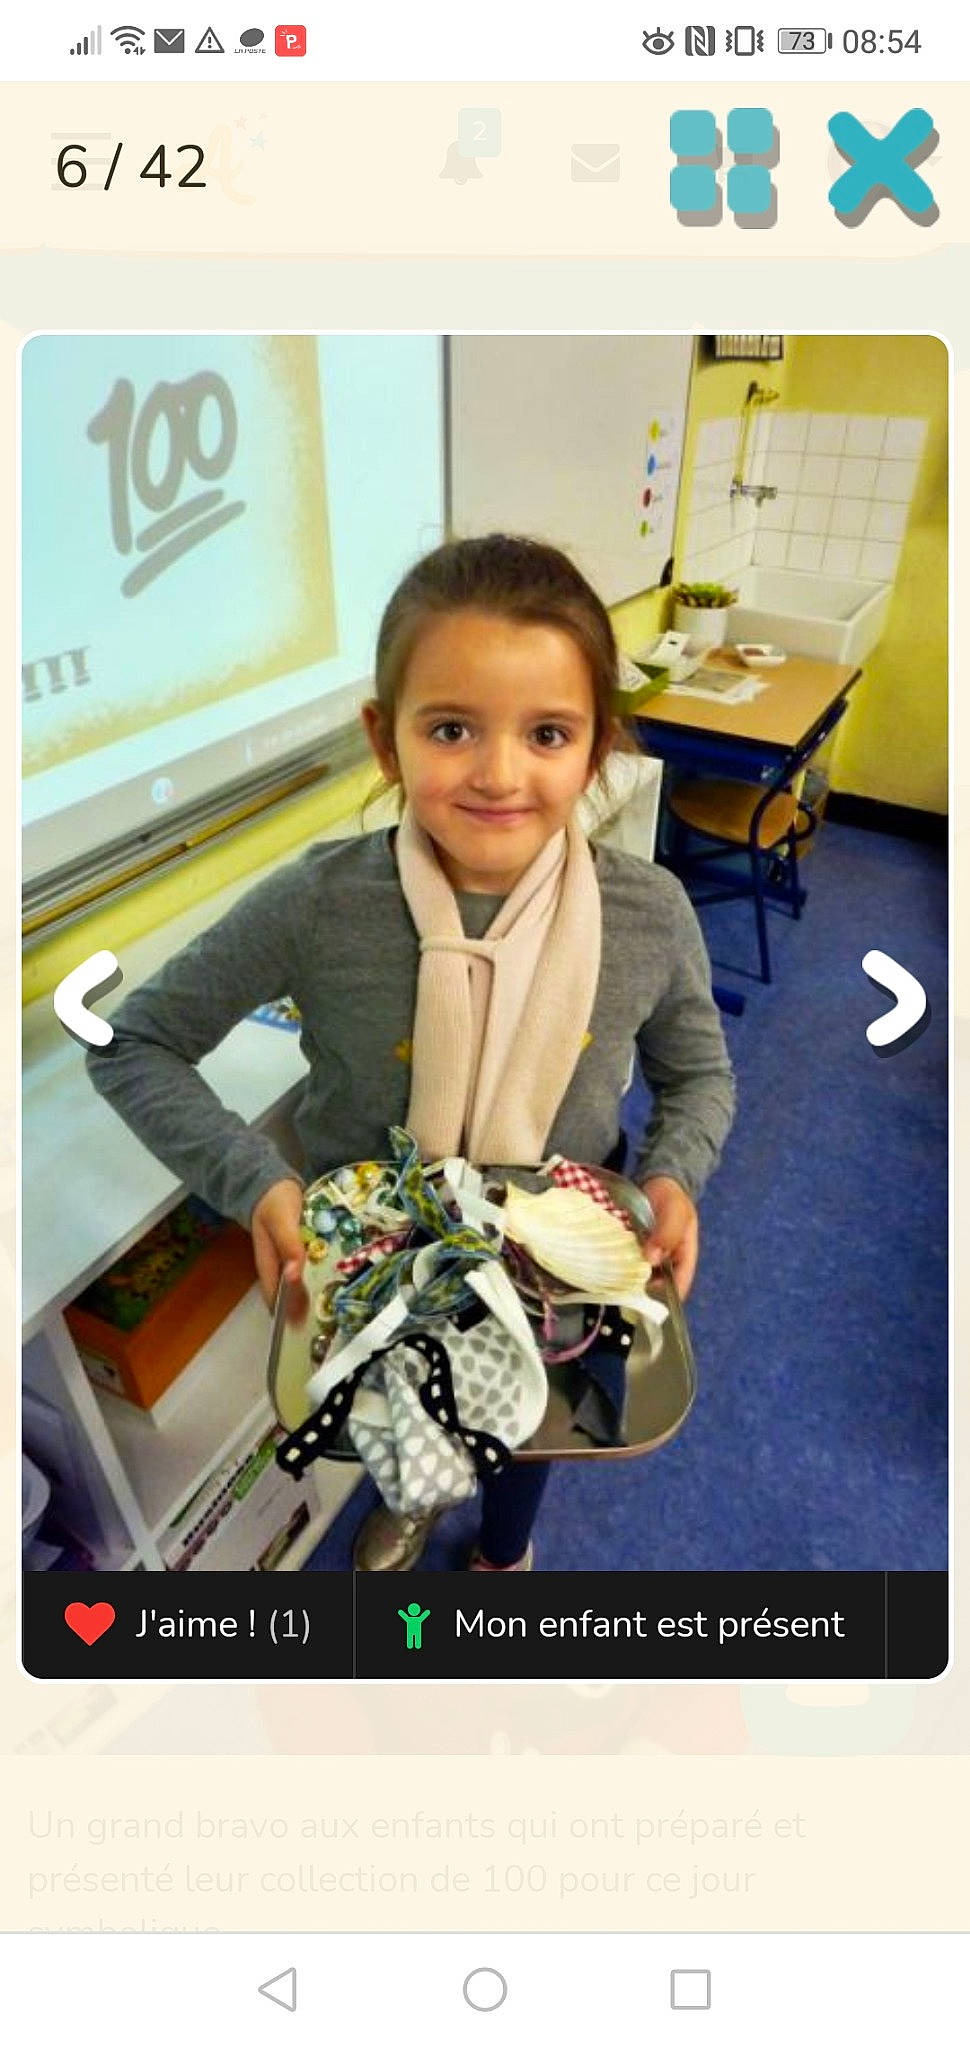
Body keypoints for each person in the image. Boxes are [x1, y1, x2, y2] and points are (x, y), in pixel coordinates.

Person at [86, 534, 735, 1573]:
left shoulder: (648, 914)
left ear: (596, 745)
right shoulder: (318, 903)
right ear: (385, 742)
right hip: (372, 1258)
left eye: (548, 733)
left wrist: (672, 1172)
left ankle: (505, 1545)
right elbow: (133, 1044)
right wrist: (255, 1182)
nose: (498, 773)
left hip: (555, 1264)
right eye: (450, 728)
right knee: (397, 1416)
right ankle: (410, 1501)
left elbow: (697, 1071)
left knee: (536, 1418)